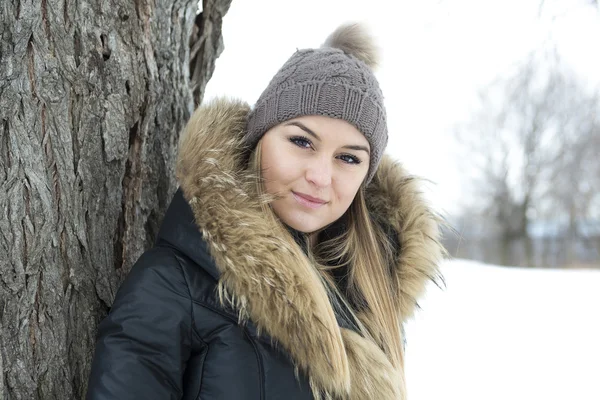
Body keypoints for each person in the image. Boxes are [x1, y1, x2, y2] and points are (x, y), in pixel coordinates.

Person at [86, 23, 444, 400]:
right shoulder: (174, 285)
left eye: (348, 158)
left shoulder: (373, 297)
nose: (321, 177)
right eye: (301, 141)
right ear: (260, 139)